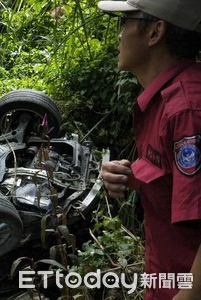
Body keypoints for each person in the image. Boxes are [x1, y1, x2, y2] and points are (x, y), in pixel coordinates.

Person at [97, 0, 201, 299]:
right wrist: (131, 175)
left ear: (155, 32)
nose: (119, 34)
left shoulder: (187, 111)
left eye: (124, 22)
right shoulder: (166, 99)